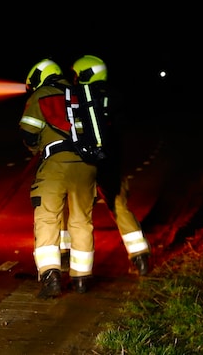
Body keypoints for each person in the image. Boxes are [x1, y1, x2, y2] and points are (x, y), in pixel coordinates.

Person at [20, 58, 98, 298]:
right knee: (81, 221)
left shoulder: (41, 95)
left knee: (47, 219)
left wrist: (37, 150)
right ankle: (81, 279)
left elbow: (29, 131)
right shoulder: (81, 94)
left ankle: (51, 276)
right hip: (86, 165)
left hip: (55, 164)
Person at [71, 54, 152, 276]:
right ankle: (141, 257)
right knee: (120, 207)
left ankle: (74, 268)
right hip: (112, 162)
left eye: (77, 74)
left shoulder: (80, 96)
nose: (75, 79)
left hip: (86, 163)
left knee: (79, 213)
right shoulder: (116, 96)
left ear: (86, 74)